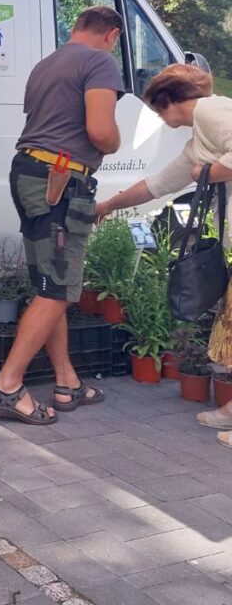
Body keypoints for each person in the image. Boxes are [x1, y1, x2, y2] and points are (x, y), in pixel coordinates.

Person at [0, 5, 124, 425]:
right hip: (59, 181)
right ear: (112, 35)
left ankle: (66, 382)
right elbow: (101, 131)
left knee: (50, 283)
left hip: (29, 173)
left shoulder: (46, 65)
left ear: (76, 28)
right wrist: (115, 142)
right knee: (57, 289)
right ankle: (7, 386)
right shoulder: (100, 61)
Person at [95, 63, 232, 446]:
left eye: (157, 109)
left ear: (169, 100)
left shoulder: (210, 111)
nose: (159, 117)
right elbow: (157, 184)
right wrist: (108, 205)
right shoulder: (199, 137)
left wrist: (206, 172)